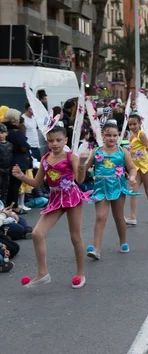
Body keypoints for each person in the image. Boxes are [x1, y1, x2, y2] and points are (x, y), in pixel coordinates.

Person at [11, 126, 90, 288]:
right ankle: (42, 273)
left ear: (65, 140)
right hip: (55, 199)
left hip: (71, 197)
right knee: (37, 233)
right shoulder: (46, 159)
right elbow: (36, 183)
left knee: (75, 237)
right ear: (47, 141)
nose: (55, 144)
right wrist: (21, 176)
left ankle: (80, 273)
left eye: (59, 140)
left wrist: (82, 163)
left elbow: (80, 180)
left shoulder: (71, 157)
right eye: (51, 140)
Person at [82, 123, 139, 260]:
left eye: (114, 135)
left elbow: (132, 168)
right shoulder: (96, 151)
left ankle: (123, 241)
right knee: (101, 217)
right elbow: (85, 167)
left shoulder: (122, 151)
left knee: (118, 217)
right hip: (101, 187)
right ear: (102, 135)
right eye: (108, 135)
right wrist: (80, 165)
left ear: (118, 136)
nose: (111, 138)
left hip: (118, 187)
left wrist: (131, 178)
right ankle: (96, 249)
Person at [125, 114, 148, 225]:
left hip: (146, 165)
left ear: (140, 124)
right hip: (135, 166)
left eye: (134, 124)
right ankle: (132, 216)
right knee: (133, 190)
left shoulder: (141, 134)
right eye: (130, 124)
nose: (132, 126)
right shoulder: (131, 136)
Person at [2, 108, 31, 215]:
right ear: (15, 119)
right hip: (17, 161)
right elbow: (24, 146)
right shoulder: (16, 132)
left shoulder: (4, 130)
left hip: (5, 161)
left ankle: (7, 206)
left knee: (7, 185)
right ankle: (14, 207)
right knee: (15, 185)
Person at [0, 123, 13, 204]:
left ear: (6, 133)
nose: (0, 135)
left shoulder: (10, 145)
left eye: (2, 132)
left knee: (5, 189)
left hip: (7, 170)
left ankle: (3, 207)